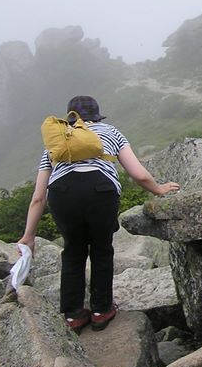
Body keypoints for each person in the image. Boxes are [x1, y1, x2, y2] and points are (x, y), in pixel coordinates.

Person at [18, 96, 180, 332]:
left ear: (70, 117)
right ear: (97, 116)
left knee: (73, 250)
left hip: (62, 193)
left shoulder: (57, 140)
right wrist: (159, 189)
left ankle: (73, 315)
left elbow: (38, 197)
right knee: (102, 249)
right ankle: (101, 310)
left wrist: (28, 236)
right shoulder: (111, 132)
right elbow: (139, 174)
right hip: (100, 190)